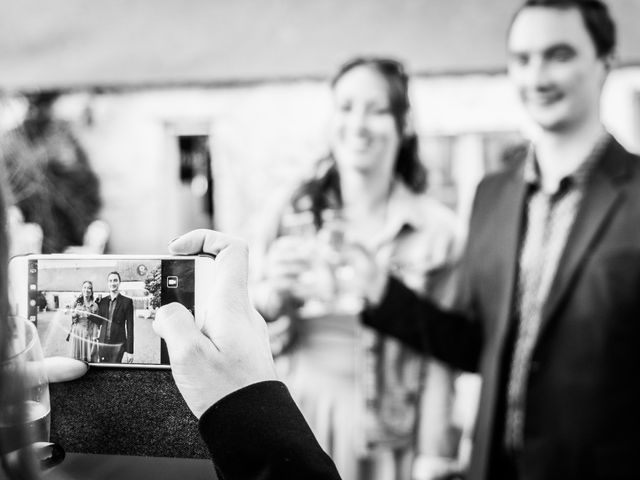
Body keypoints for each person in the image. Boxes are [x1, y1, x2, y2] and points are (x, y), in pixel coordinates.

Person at [361, 1, 640, 479]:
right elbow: (476, 344)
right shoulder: (491, 194)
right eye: (523, 59)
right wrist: (380, 294)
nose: (538, 76)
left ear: (605, 62)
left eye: (559, 54)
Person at [252, 57, 462, 479]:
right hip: (296, 419)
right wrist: (271, 296)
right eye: (346, 107)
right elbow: (239, 317)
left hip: (393, 437)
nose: (358, 123)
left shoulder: (439, 232)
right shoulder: (287, 211)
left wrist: (434, 458)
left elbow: (441, 360)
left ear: (403, 126)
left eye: (377, 109)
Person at [96, 271, 134, 363]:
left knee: (115, 372)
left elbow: (130, 328)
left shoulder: (127, 302)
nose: (113, 283)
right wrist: (90, 309)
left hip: (118, 345)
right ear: (108, 283)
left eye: (115, 280)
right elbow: (98, 321)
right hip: (103, 343)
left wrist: (130, 351)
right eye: (110, 281)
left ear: (119, 282)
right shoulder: (103, 301)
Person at [68, 281, 100, 362]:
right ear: (82, 290)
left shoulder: (95, 306)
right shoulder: (76, 303)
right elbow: (72, 317)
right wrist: (74, 315)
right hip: (77, 333)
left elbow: (96, 323)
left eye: (89, 288)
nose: (87, 290)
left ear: (92, 291)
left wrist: (95, 336)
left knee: (89, 358)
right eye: (85, 287)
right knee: (77, 359)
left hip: (89, 333)